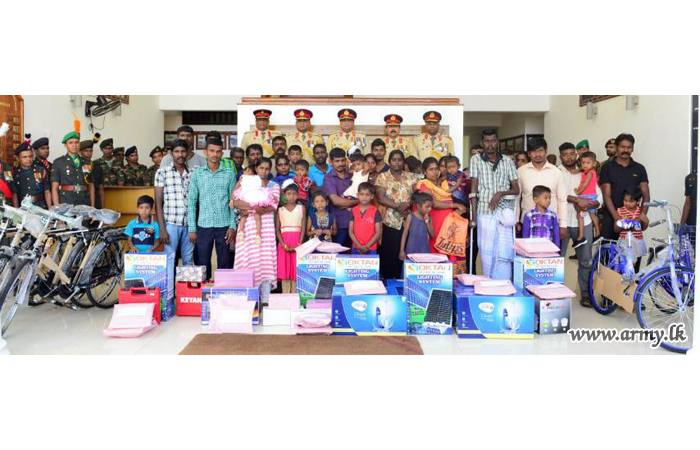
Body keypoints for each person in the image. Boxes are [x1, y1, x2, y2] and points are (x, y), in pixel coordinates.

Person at [469, 128, 520, 280]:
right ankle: (489, 284)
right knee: (486, 252)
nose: (490, 144)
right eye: (486, 141)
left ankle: (503, 284)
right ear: (482, 143)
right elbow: (473, 191)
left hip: (505, 212)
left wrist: (500, 194)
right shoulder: (476, 160)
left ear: (497, 142)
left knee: (504, 252)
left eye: (493, 141)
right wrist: (473, 217)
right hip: (484, 211)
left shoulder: (508, 161)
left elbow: (516, 189)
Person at [558, 142, 602, 307]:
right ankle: (556, 293)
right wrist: (577, 199)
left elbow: (598, 197)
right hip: (561, 222)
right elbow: (557, 195)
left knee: (585, 261)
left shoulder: (586, 172)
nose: (569, 157)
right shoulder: (556, 172)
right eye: (565, 154)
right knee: (557, 259)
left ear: (576, 154)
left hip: (584, 221)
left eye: (572, 153)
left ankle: (585, 294)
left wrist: (590, 204)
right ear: (560, 156)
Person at [232, 158, 281, 304]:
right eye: (261, 168)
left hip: (266, 228)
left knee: (265, 260)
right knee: (248, 258)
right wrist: (255, 207)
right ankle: (248, 296)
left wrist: (249, 207)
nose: (264, 171)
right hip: (247, 227)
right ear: (256, 169)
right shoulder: (247, 183)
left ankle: (265, 298)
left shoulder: (274, 186)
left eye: (267, 169)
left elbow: (273, 206)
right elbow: (235, 201)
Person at [188, 138, 237, 280]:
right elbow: (192, 201)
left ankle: (223, 292)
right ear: (205, 152)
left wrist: (232, 226)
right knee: (202, 262)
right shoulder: (197, 174)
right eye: (212, 151)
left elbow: (232, 202)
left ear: (222, 153)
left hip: (224, 226)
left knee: (224, 263)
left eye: (218, 151)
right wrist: (192, 228)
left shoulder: (229, 173)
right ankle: (204, 295)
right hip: (203, 224)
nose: (215, 154)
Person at [376, 150, 420, 279]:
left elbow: (417, 195)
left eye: (399, 159)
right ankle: (389, 283)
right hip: (389, 221)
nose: (397, 162)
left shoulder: (412, 177)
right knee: (389, 254)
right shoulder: (382, 177)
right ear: (389, 161)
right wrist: (400, 206)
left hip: (408, 221)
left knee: (406, 253)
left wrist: (408, 203)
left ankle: (404, 283)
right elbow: (381, 198)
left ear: (403, 162)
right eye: (394, 159)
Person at [155, 139, 194, 281]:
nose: (180, 154)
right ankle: (169, 299)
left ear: (188, 153)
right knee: (170, 261)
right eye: (177, 151)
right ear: (171, 154)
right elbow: (158, 203)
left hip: (189, 225)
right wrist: (162, 229)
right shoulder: (162, 172)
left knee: (188, 261)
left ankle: (186, 297)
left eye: (183, 151)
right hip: (171, 224)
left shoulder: (193, 173)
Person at [600, 133, 650, 240]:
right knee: (609, 253)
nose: (625, 150)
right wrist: (618, 219)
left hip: (633, 218)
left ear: (632, 149)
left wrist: (641, 217)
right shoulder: (607, 168)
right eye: (622, 147)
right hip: (611, 217)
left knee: (632, 253)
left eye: (629, 147)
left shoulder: (639, 168)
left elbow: (646, 196)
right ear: (617, 148)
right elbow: (606, 196)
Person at [517, 137, 568, 242]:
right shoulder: (521, 171)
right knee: (528, 255)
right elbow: (517, 198)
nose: (538, 154)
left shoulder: (556, 172)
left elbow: (562, 200)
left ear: (546, 151)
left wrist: (563, 225)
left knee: (551, 255)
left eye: (540, 151)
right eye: (534, 151)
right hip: (527, 223)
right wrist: (516, 221)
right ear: (529, 153)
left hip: (551, 222)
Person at [416, 158, 468, 255]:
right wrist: (455, 205)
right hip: (436, 222)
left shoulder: (445, 183)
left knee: (450, 250)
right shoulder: (424, 184)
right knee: (436, 249)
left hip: (451, 223)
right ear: (424, 171)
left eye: (436, 169)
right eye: (431, 169)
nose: (434, 172)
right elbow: (434, 204)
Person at [323, 148, 358, 248]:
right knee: (339, 257)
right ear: (330, 162)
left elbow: (364, 195)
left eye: (343, 160)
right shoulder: (328, 178)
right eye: (337, 161)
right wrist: (358, 201)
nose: (341, 163)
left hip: (356, 223)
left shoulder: (353, 175)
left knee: (356, 257)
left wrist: (346, 202)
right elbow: (336, 201)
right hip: (339, 225)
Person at [275, 181, 305, 293]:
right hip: (284, 244)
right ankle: (285, 297)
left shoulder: (301, 208)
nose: (291, 196)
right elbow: (277, 229)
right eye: (288, 194)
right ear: (284, 195)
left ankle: (295, 297)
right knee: (285, 270)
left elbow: (303, 228)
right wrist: (283, 245)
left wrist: (299, 244)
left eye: (294, 194)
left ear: (297, 195)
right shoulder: (280, 210)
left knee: (295, 271)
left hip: (297, 243)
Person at [51, 130, 95, 207]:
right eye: (71, 143)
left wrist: (92, 208)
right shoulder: (58, 162)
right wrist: (57, 210)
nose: (74, 145)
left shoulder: (87, 162)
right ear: (65, 145)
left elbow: (91, 187)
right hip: (66, 202)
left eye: (76, 142)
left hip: (84, 202)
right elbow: (54, 188)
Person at [236, 171, 278, 245]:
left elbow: (274, 203)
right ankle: (247, 232)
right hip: (249, 199)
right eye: (261, 168)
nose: (248, 172)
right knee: (247, 215)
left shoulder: (255, 179)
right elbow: (235, 194)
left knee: (251, 215)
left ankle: (254, 233)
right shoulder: (245, 178)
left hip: (253, 198)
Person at [573, 151, 602, 246]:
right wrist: (578, 170)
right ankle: (597, 234)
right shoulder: (589, 171)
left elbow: (585, 184)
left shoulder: (589, 173)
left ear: (594, 163)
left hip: (586, 197)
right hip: (591, 196)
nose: (585, 165)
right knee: (593, 215)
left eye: (588, 163)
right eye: (583, 163)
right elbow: (582, 170)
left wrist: (578, 191)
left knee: (580, 216)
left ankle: (581, 237)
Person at [12, 140, 51, 208]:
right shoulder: (14, 173)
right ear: (17, 158)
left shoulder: (41, 170)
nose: (28, 159)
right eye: (25, 157)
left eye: (30, 156)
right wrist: (16, 210)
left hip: (40, 206)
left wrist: (50, 209)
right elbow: (14, 194)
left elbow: (47, 191)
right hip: (22, 208)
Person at [614, 187, 649, 262]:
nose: (627, 203)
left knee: (635, 266)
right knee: (625, 264)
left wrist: (646, 222)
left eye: (631, 201)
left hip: (638, 243)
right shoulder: (621, 211)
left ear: (638, 201)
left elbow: (642, 228)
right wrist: (622, 221)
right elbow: (615, 229)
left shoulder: (640, 211)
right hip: (625, 242)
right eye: (625, 200)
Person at [399, 191, 435, 260]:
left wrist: (427, 223)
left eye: (431, 207)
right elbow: (404, 234)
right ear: (418, 206)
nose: (430, 209)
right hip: (411, 249)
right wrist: (401, 250)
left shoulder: (429, 218)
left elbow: (432, 235)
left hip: (424, 250)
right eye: (427, 207)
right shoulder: (411, 216)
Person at [348, 182, 382, 255]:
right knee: (355, 266)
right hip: (356, 247)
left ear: (372, 196)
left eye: (367, 195)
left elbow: (378, 232)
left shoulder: (375, 211)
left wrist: (366, 246)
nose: (364, 197)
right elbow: (350, 231)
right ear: (357, 195)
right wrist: (359, 246)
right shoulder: (353, 210)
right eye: (361, 194)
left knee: (370, 267)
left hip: (371, 248)